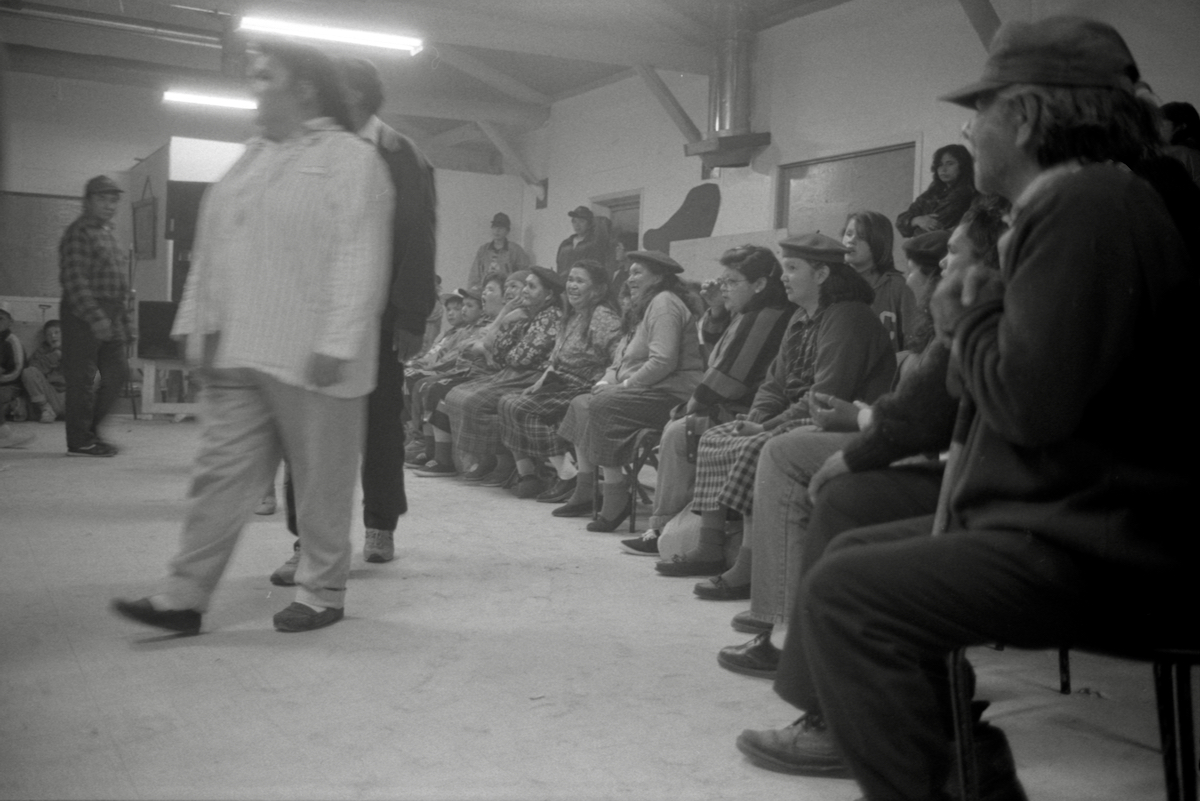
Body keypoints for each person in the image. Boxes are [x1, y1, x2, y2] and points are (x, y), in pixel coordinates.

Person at [749, 18, 1197, 801]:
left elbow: (1027, 405)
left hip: (1093, 543)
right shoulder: (1091, 202)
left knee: (847, 597)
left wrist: (969, 318)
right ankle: (971, 771)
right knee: (851, 557)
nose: (967, 129)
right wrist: (974, 325)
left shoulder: (1085, 206)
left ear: (1023, 117)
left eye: (977, 111)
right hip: (1067, 519)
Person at [111, 40, 394, 635]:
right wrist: (198, 327)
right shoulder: (251, 159)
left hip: (312, 351)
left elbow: (360, 253)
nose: (254, 85)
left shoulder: (351, 158)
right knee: (220, 474)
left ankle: (322, 590)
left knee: (321, 483)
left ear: (306, 88)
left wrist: (338, 340)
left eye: (267, 75)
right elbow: (212, 251)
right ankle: (183, 595)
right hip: (240, 348)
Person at [716, 197, 1005, 683]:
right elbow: (777, 381)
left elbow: (893, 412)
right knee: (797, 465)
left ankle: (789, 628)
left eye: (945, 258)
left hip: (962, 476)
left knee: (786, 456)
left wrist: (859, 429)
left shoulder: (926, 320)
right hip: (918, 448)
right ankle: (789, 623)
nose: (916, 278)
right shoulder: (947, 322)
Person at [654, 234, 895, 581]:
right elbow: (774, 383)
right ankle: (709, 548)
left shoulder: (848, 317)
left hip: (837, 422)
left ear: (822, 275)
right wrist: (755, 418)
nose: (784, 277)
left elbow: (824, 396)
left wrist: (765, 429)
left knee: (757, 447)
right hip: (797, 417)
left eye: (792, 268)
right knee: (715, 438)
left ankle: (750, 566)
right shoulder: (800, 317)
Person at [626, 245, 794, 556]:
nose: (723, 288)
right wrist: (717, 309)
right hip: (736, 403)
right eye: (722, 281)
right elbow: (720, 350)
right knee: (679, 425)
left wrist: (689, 407)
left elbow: (727, 378)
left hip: (749, 410)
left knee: (678, 431)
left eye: (732, 282)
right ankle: (673, 524)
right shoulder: (749, 312)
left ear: (758, 285)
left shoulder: (765, 316)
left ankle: (662, 527)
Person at [553, 250, 706, 528]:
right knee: (581, 403)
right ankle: (587, 489)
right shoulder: (642, 307)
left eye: (638, 273)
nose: (630, 279)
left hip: (672, 394)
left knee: (602, 405)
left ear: (659, 277)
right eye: (630, 272)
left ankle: (616, 497)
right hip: (648, 390)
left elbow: (663, 361)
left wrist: (623, 387)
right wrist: (606, 381)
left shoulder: (664, 304)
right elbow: (622, 358)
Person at [495, 259, 622, 500]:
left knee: (522, 408)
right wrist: (538, 383)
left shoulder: (602, 317)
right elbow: (555, 359)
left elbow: (618, 359)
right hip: (560, 381)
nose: (572, 286)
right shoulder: (572, 315)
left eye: (580, 281)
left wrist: (602, 385)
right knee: (507, 401)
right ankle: (529, 476)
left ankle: (569, 476)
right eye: (571, 280)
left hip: (584, 386)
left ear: (597, 289)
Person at [441, 266, 565, 484]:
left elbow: (521, 357)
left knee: (475, 402)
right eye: (525, 285)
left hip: (532, 377)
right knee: (455, 394)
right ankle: (492, 459)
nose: (524, 291)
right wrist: (506, 320)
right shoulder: (525, 314)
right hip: (511, 372)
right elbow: (498, 350)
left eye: (531, 286)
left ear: (549, 294)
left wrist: (503, 350)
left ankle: (506, 463)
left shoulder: (550, 316)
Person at [58, 174, 131, 457]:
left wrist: (124, 322)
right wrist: (96, 317)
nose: (110, 205)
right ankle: (79, 441)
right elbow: (75, 280)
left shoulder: (108, 233)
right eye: (102, 199)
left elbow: (119, 284)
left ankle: (91, 431)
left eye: (113, 200)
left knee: (118, 374)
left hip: (111, 312)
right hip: (82, 313)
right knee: (82, 380)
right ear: (87, 201)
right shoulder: (78, 233)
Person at [841, 210, 919, 351]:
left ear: (878, 242)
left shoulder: (897, 287)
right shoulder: (833, 282)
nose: (851, 241)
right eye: (849, 234)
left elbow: (913, 345)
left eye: (862, 236)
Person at [895, 144, 979, 237]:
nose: (943, 169)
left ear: (963, 166)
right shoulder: (932, 193)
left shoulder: (968, 192)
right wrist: (917, 220)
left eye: (950, 163)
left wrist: (915, 226)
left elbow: (935, 227)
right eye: (939, 165)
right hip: (924, 247)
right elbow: (900, 222)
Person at [467, 212, 532, 290]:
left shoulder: (515, 250)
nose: (497, 230)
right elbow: (474, 274)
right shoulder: (483, 250)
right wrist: (472, 290)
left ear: (507, 231)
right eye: (495, 227)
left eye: (501, 228)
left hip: (506, 291)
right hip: (484, 290)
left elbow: (525, 273)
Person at [22, 319, 66, 422]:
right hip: (49, 396)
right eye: (49, 334)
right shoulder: (41, 351)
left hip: (69, 395)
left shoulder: (75, 349)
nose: (53, 336)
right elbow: (33, 370)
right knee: (28, 372)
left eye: (56, 332)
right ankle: (46, 409)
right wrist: (54, 356)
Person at [555, 206, 613, 276]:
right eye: (574, 221)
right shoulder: (565, 244)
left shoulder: (594, 243)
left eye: (581, 221)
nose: (577, 225)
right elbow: (559, 266)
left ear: (589, 224)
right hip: (564, 283)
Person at [1159, 100, 1200, 185]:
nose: (1157, 129)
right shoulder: (1193, 153)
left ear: (1181, 126)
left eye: (1162, 124)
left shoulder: (1180, 153)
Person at [0, 308, 27, 421]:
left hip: (10, 384)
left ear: (10, 322)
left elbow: (18, 370)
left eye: (1, 319)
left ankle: (16, 404)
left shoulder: (12, 341)